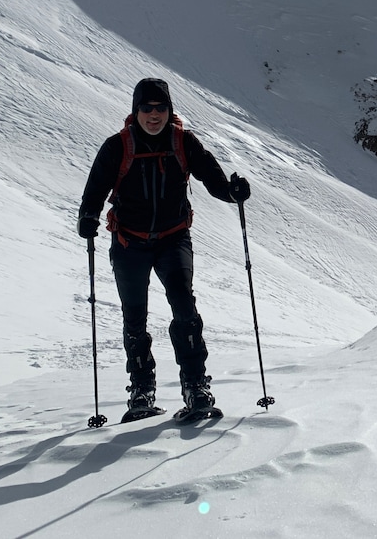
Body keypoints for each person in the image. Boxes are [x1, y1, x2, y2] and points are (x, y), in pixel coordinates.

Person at [79, 77, 251, 420]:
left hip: (174, 238)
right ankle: (141, 390)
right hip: (129, 242)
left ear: (169, 111)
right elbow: (96, 186)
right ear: (136, 110)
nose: (153, 115)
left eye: (160, 108)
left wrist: (232, 193)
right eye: (146, 108)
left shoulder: (183, 142)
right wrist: (88, 215)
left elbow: (211, 177)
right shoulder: (118, 146)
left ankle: (196, 385)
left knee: (184, 308)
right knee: (134, 318)